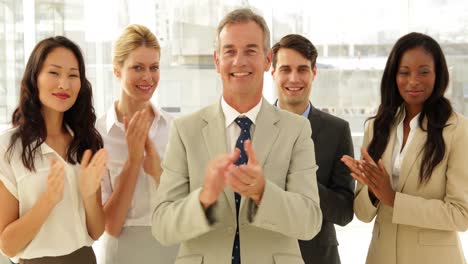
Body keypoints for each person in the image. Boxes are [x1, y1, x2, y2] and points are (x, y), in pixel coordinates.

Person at [152, 8, 322, 264]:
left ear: (267, 60)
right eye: (229, 51)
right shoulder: (185, 130)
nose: (239, 61)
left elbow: (309, 222)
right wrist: (204, 197)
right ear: (217, 60)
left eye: (251, 50)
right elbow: (162, 226)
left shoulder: (296, 130)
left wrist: (264, 192)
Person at [341, 32, 468, 264]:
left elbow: (461, 215)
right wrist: (372, 190)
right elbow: (362, 214)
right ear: (393, 76)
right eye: (404, 72)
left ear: (438, 74)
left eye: (424, 71)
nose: (413, 81)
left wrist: (393, 198)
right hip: (381, 256)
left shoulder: (457, 129)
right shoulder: (376, 127)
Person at [0, 36, 108, 263]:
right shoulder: (8, 148)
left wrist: (89, 195)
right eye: (54, 73)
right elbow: (8, 246)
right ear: (34, 78)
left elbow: (97, 232)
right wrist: (49, 199)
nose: (64, 84)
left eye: (73, 75)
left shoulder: (86, 142)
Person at [95, 24, 178, 264]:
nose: (147, 77)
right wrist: (133, 162)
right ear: (117, 71)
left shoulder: (174, 129)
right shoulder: (97, 135)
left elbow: (184, 208)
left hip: (173, 248)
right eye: (137, 67)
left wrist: (158, 172)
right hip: (122, 251)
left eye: (154, 67)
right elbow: (109, 225)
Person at [271, 34, 354, 264]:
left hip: (317, 257)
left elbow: (345, 212)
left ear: (314, 73)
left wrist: (301, 179)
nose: (294, 78)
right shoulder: (253, 126)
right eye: (285, 69)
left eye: (303, 69)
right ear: (273, 72)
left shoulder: (337, 130)